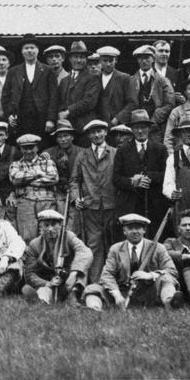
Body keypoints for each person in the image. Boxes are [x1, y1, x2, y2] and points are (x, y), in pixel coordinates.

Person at [85, 213, 179, 310]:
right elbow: (107, 275)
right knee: (93, 288)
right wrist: (116, 294)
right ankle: (94, 309)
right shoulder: (116, 249)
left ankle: (170, 302)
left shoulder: (158, 247)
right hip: (123, 292)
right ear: (124, 231)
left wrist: (150, 275)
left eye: (138, 228)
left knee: (166, 279)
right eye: (130, 228)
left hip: (149, 292)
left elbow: (172, 271)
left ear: (144, 230)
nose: (134, 231)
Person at [71, 119, 116, 282]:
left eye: (100, 131)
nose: (97, 135)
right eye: (93, 132)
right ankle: (94, 284)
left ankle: (113, 282)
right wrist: (76, 197)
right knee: (94, 245)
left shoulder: (115, 153)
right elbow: (74, 180)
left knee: (112, 245)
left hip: (111, 205)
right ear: (89, 135)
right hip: (91, 206)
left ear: (105, 132)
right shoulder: (82, 155)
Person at [20, 208, 92, 305]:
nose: (50, 229)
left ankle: (73, 297)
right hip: (49, 281)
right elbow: (30, 273)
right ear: (41, 226)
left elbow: (85, 252)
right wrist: (47, 283)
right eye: (46, 225)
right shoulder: (35, 244)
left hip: (69, 280)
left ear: (59, 225)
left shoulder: (69, 237)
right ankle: (41, 300)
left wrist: (73, 274)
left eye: (54, 225)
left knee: (81, 269)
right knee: (44, 292)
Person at [112, 110, 167, 225]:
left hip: (155, 204)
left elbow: (166, 175)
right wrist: (133, 182)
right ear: (132, 130)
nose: (140, 131)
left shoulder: (160, 149)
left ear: (149, 128)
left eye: (143, 127)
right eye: (136, 128)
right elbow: (116, 178)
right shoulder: (123, 151)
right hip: (130, 203)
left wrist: (148, 177)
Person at [2, 37, 59, 140]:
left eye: (32, 48)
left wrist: (51, 119)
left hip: (41, 118)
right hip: (20, 118)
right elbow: (5, 95)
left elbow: (54, 96)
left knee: (41, 146)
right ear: (22, 51)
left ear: (37, 50)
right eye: (26, 48)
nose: (29, 50)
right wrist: (10, 114)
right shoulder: (13, 71)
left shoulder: (48, 70)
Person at [7, 134, 58, 241]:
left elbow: (53, 178)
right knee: (27, 236)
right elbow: (15, 178)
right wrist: (37, 173)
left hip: (46, 201)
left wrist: (29, 182)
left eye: (31, 147)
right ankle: (30, 258)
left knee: (49, 235)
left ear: (37, 148)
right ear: (20, 149)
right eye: (25, 148)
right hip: (26, 203)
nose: (29, 151)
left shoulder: (47, 161)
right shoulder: (15, 164)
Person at [57, 41, 102, 141]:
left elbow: (89, 101)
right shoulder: (64, 80)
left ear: (86, 59)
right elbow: (60, 101)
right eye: (76, 57)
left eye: (82, 57)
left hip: (84, 129)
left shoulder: (92, 78)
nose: (78, 60)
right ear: (70, 59)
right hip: (67, 129)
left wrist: (68, 111)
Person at [127, 45, 176, 132]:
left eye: (147, 58)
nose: (144, 61)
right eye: (141, 58)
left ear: (153, 59)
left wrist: (153, 121)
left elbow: (170, 103)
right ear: (137, 60)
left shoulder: (163, 80)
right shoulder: (131, 81)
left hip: (156, 127)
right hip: (136, 126)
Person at [96, 46, 136, 128]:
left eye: (111, 61)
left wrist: (117, 119)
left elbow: (132, 103)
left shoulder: (125, 78)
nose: (108, 64)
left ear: (116, 60)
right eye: (105, 60)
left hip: (118, 125)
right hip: (99, 126)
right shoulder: (94, 78)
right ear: (100, 61)